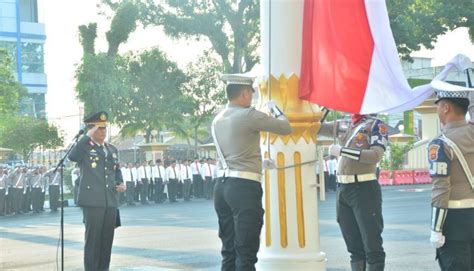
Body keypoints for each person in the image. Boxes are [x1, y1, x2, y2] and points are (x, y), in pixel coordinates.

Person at [212, 73, 292, 270]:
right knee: (246, 251)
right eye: (251, 93)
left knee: (229, 250)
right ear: (245, 93)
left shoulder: (218, 118)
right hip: (243, 188)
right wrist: (275, 109)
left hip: (222, 187)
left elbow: (237, 151)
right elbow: (285, 127)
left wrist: (259, 163)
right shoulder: (248, 114)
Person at [318, 113, 388, 271]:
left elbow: (375, 156)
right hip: (343, 188)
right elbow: (316, 128)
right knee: (354, 247)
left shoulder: (376, 125)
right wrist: (322, 111)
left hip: (364, 188)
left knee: (372, 245)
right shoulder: (344, 123)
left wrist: (343, 151)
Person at [68, 111, 126, 271]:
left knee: (107, 241)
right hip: (93, 201)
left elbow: (116, 170)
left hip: (110, 201)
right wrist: (87, 136)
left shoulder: (112, 149)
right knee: (93, 241)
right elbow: (72, 156)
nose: (103, 131)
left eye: (104, 128)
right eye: (99, 128)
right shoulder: (85, 147)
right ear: (91, 129)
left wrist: (120, 183)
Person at [428, 88, 474, 270]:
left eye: (438, 105)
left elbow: (441, 188)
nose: (437, 110)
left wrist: (436, 229)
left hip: (455, 221)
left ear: (446, 107)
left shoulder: (440, 143)